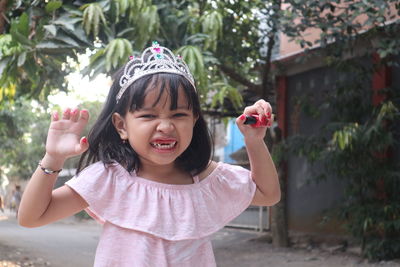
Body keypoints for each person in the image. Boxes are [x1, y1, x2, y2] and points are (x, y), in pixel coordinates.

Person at [18, 41, 280, 267]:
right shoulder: (109, 179)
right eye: (148, 115)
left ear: (194, 120)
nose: (165, 126)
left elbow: (268, 195)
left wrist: (254, 142)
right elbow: (31, 217)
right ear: (122, 125)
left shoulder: (206, 180)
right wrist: (53, 158)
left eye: (179, 115)